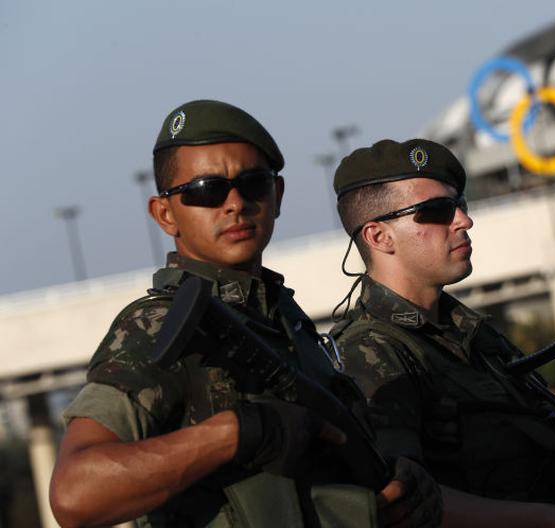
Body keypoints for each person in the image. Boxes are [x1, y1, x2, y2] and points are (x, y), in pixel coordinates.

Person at [49, 101, 441, 528]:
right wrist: (232, 435)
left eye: (253, 183)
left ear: (277, 196)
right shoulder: (160, 324)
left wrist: (399, 483)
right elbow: (75, 494)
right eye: (205, 190)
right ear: (165, 214)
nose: (234, 203)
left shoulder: (285, 319)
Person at [329, 139, 555, 528]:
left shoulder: (474, 336)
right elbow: (401, 498)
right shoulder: (368, 352)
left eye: (461, 205)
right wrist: (547, 519)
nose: (463, 220)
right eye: (436, 211)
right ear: (378, 237)